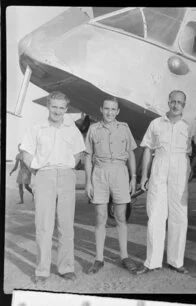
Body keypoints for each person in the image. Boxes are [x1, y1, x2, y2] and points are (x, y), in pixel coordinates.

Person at [20, 91, 86, 285]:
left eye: (61, 107)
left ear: (66, 109)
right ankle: (42, 270)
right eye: (54, 106)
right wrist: (37, 170)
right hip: (44, 176)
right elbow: (26, 151)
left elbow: (78, 153)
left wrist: (67, 167)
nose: (57, 111)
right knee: (43, 225)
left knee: (66, 225)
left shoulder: (71, 129)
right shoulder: (36, 128)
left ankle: (66, 268)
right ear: (48, 107)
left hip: (66, 175)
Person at [136, 90, 196, 275]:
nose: (175, 105)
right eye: (173, 101)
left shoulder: (191, 124)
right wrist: (144, 176)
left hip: (181, 166)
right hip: (160, 164)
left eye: (179, 102)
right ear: (168, 101)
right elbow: (148, 149)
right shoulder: (156, 123)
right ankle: (152, 262)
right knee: (156, 213)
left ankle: (176, 261)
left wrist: (192, 168)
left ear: (184, 104)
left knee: (179, 216)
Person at [85, 96, 138, 274]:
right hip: (99, 173)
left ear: (118, 111)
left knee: (121, 217)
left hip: (120, 173)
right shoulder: (93, 129)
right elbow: (87, 156)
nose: (109, 112)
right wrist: (88, 182)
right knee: (100, 218)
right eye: (106, 108)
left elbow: (130, 153)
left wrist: (134, 177)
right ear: (101, 109)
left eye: (113, 109)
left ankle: (124, 256)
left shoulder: (124, 128)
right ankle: (98, 259)